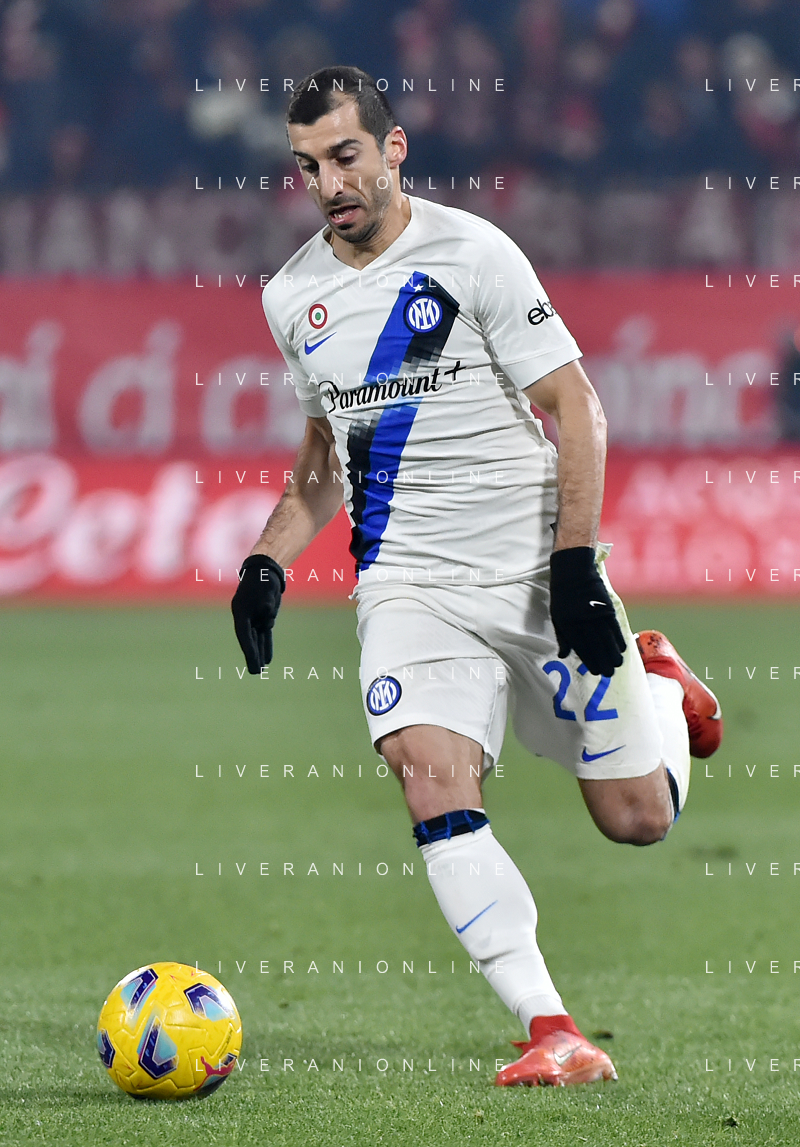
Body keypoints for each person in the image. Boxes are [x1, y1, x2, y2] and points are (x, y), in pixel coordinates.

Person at [231, 65, 723, 1088]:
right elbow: (325, 454)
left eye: (345, 156)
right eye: (307, 166)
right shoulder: (291, 296)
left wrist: (575, 563)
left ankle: (660, 687)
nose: (329, 184)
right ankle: (553, 1027)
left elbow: (575, 405)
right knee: (428, 776)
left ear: (392, 147)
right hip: (407, 581)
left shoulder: (473, 253)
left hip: (531, 569)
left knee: (636, 817)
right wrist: (267, 561)